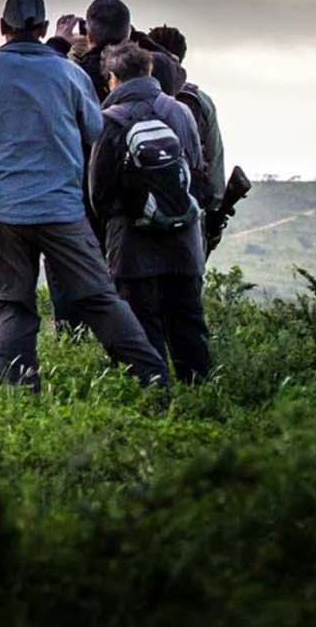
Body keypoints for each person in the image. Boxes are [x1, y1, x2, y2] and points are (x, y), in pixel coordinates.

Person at [0, 0, 171, 390]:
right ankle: (153, 377)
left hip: (7, 215)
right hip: (63, 210)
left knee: (13, 306)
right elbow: (95, 130)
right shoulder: (70, 73)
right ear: (43, 29)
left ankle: (20, 394)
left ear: (2, 27)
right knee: (99, 298)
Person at [87, 42, 215, 383]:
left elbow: (99, 192)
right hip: (183, 238)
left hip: (131, 243)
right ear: (148, 72)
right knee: (188, 322)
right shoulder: (180, 112)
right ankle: (201, 396)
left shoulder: (108, 121)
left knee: (141, 328)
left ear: (113, 79)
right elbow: (196, 169)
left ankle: (154, 399)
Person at [147, 24, 224, 197]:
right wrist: (214, 201)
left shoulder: (131, 96)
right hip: (189, 200)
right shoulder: (200, 100)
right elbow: (215, 157)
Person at [66, 0, 185, 101]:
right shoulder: (156, 65)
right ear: (128, 31)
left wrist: (60, 43)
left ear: (89, 34)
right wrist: (139, 37)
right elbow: (178, 70)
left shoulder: (77, 74)